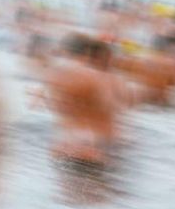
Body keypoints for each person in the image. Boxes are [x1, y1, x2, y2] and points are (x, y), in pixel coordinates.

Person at [41, 34, 127, 167]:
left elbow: (53, 106)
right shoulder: (101, 78)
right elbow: (112, 108)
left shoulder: (52, 74)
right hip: (95, 146)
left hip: (64, 145)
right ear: (88, 52)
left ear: (64, 50)